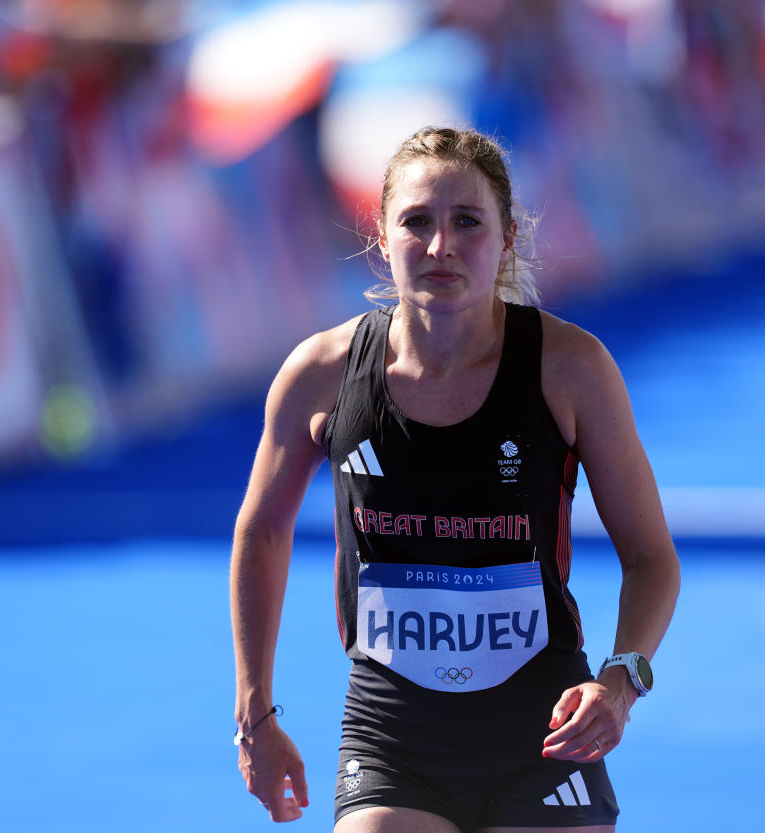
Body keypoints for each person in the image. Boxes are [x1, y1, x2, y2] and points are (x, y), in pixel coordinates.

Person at [230, 126, 680, 832]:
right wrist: (254, 716)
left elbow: (651, 558)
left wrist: (620, 683)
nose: (441, 247)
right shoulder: (319, 375)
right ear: (381, 235)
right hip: (393, 732)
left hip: (544, 727)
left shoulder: (571, 369)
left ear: (506, 240)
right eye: (417, 222)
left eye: (467, 223)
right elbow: (260, 531)